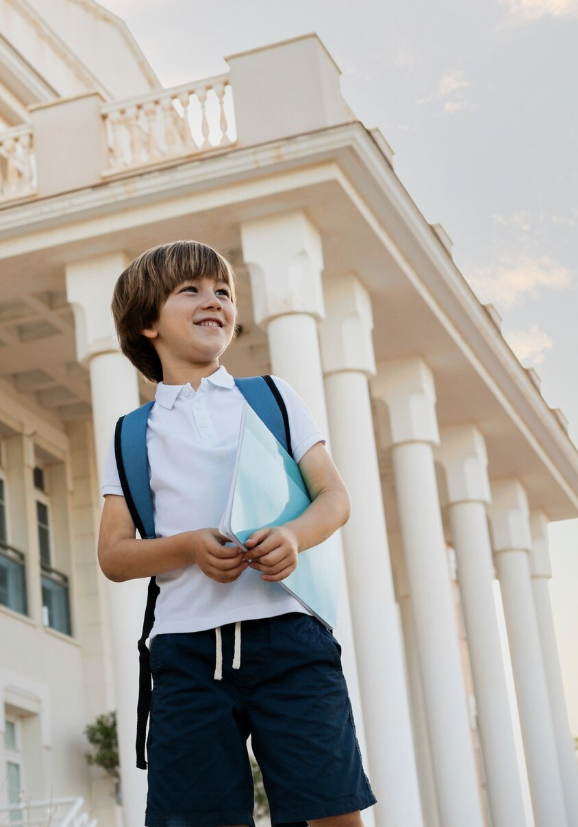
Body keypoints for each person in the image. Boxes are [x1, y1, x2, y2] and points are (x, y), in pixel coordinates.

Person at [98, 240, 375, 827]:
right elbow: (115, 555)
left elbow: (335, 497)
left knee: (334, 814)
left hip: (290, 641)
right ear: (148, 323)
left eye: (223, 291)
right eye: (191, 290)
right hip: (186, 656)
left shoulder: (273, 397)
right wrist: (186, 548)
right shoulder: (131, 434)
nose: (214, 300)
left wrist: (295, 536)